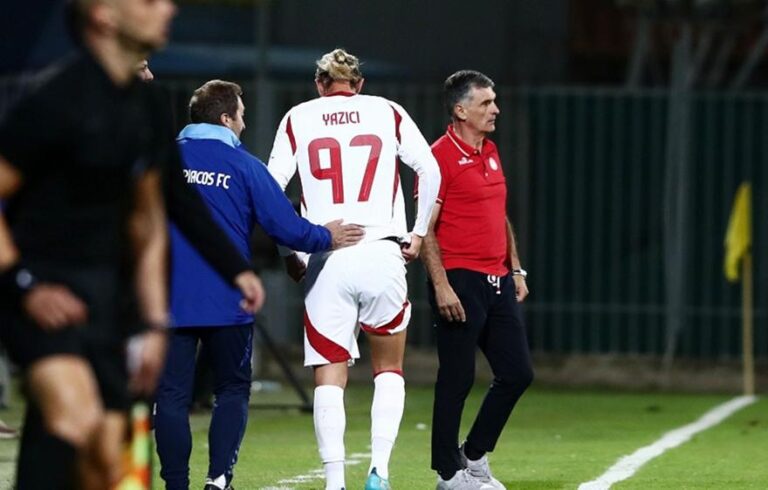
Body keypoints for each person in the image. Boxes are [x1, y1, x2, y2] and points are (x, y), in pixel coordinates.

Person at [0, 0, 177, 488]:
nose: (167, 9)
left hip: (107, 300)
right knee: (74, 420)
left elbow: (147, 223)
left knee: (105, 462)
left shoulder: (149, 108)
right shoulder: (54, 99)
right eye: (148, 2)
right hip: (43, 293)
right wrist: (25, 285)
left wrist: (154, 322)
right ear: (103, 15)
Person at [154, 80, 364, 490]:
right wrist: (327, 236)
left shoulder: (161, 159)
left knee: (171, 396)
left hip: (168, 297)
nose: (244, 124)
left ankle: (175, 485)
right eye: (242, 116)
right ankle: (218, 480)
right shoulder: (245, 166)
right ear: (225, 118)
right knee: (232, 389)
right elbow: (287, 227)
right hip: (229, 297)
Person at [268, 48, 441, 490]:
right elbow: (430, 169)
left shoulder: (298, 117)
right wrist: (418, 232)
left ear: (319, 84)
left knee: (329, 375)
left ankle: (334, 482)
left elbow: (270, 192)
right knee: (389, 369)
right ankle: (379, 471)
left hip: (327, 256)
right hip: (381, 252)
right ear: (359, 84)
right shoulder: (387, 111)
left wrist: (291, 252)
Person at [421, 70, 534, 490]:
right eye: (486, 103)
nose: (495, 109)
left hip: (498, 278)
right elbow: (425, 228)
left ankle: (472, 456)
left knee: (517, 373)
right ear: (460, 110)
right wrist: (441, 285)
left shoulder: (491, 150)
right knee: (457, 378)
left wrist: (515, 267)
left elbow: (497, 213)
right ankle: (447, 473)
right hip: (460, 278)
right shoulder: (437, 157)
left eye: (494, 100)